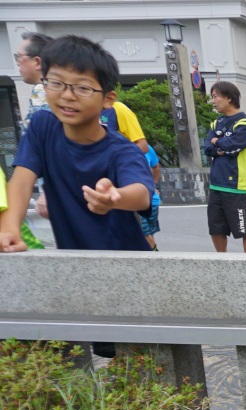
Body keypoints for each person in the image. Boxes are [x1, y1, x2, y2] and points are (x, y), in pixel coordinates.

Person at [0, 34, 153, 255]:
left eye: (82, 88)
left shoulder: (122, 150)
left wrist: (115, 197)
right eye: (56, 83)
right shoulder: (43, 128)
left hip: (125, 261)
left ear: (108, 99)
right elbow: (21, 182)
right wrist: (9, 230)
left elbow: (141, 194)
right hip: (72, 260)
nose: (67, 95)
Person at [204, 81, 246, 253]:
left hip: (238, 185)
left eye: (215, 96)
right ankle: (222, 261)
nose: (213, 101)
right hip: (216, 184)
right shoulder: (216, 123)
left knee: (245, 228)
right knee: (216, 228)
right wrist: (220, 146)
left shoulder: (245, 123)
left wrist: (218, 143)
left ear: (228, 97)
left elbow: (233, 145)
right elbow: (207, 148)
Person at [16, 31, 52, 133]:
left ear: (37, 62)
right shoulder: (56, 89)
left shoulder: (41, 91)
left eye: (19, 56)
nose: (17, 63)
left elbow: (39, 137)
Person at [139, 144, 163, 249]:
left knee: (146, 234)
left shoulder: (147, 148)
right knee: (146, 234)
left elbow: (156, 166)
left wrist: (154, 184)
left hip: (150, 201)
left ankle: (156, 257)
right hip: (135, 201)